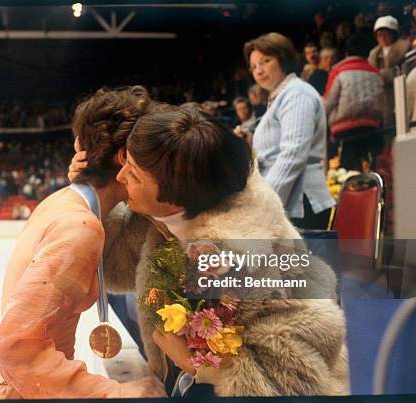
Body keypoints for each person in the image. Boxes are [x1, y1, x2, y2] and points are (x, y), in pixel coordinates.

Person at [73, 107, 349, 396]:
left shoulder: (235, 257)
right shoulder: (187, 200)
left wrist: (196, 365)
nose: (120, 176)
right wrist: (93, 191)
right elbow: (117, 269)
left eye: (134, 174)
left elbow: (299, 376)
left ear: (174, 200)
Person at [0, 86, 166, 400]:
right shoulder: (80, 225)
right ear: (125, 158)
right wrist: (110, 393)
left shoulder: (65, 201)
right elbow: (13, 348)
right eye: (153, 157)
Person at [244, 32, 335, 230]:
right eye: (253, 66)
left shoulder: (296, 93)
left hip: (301, 203)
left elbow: (293, 155)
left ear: (282, 59)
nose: (258, 71)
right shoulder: (281, 96)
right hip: (287, 201)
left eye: (265, 61)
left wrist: (264, 206)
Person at [323, 34, 385, 171]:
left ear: (346, 52)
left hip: (344, 133)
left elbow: (327, 103)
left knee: (348, 175)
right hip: (372, 129)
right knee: (369, 171)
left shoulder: (338, 71)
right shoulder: (376, 73)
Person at [368, 15, 410, 128]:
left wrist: (383, 75)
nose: (382, 37)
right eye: (379, 34)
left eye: (385, 33)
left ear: (393, 33)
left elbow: (404, 71)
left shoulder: (404, 49)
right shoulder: (374, 55)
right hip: (380, 98)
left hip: (399, 92)